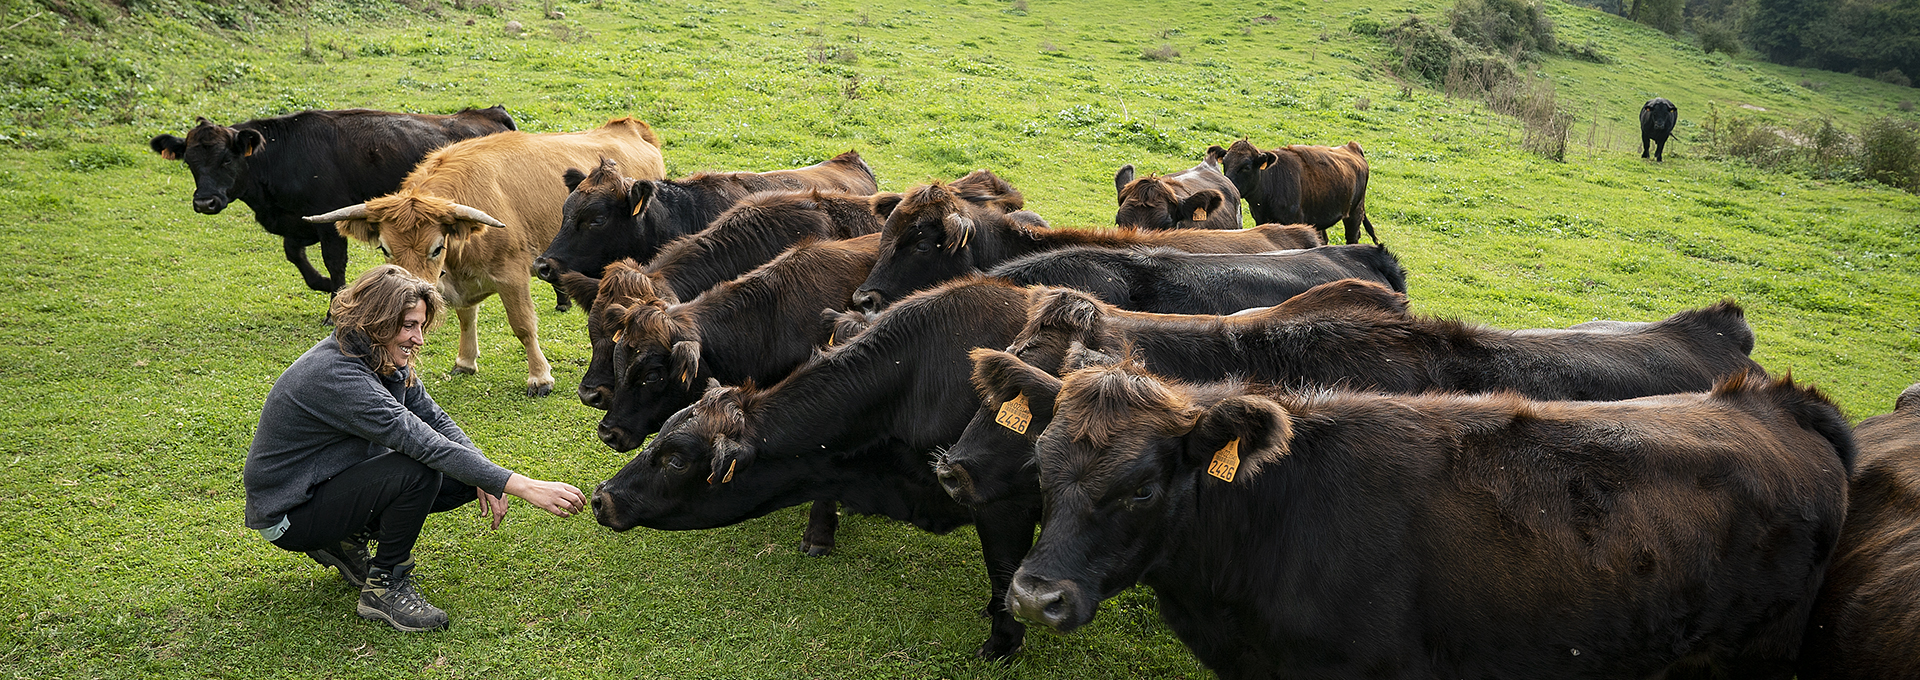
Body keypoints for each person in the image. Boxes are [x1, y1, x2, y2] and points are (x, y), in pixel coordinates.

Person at [243, 265, 587, 632]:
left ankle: (344, 538)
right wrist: (523, 486)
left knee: (465, 476)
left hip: (326, 485)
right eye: (409, 325)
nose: (419, 339)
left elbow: (436, 422)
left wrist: (488, 475)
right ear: (376, 319)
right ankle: (384, 587)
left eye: (421, 326)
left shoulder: (381, 357)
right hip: (290, 513)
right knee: (420, 469)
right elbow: (421, 443)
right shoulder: (337, 373)